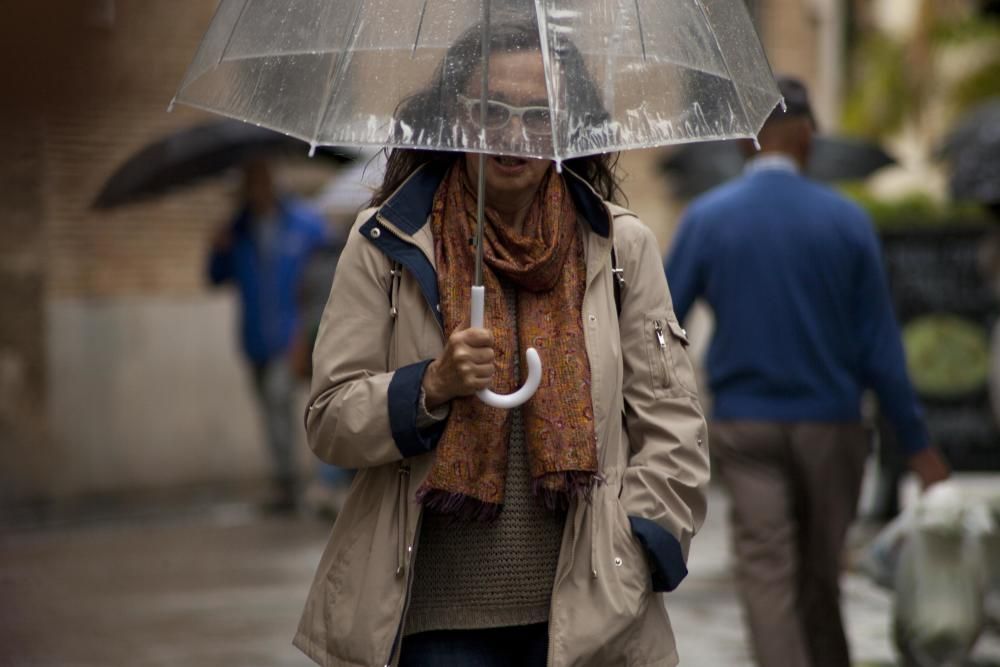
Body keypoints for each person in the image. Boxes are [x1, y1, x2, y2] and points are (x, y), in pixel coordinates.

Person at [293, 21, 710, 667]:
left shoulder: (619, 247)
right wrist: (429, 386)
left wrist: (639, 546)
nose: (514, 135)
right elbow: (328, 421)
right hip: (436, 621)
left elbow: (673, 421)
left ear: (570, 126)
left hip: (589, 617)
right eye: (491, 111)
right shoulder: (387, 244)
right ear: (453, 117)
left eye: (539, 115)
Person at [664, 76, 950, 667]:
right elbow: (880, 348)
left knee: (767, 575)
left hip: (745, 427)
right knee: (821, 578)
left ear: (745, 144)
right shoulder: (847, 223)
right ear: (809, 138)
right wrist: (918, 445)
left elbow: (659, 327)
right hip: (832, 427)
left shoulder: (707, 219)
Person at [208, 158, 329, 513]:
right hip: (255, 338)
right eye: (250, 183)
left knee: (284, 402)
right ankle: (286, 482)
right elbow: (215, 277)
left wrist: (310, 327)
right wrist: (217, 248)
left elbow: (327, 269)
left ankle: (305, 481)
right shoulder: (238, 231)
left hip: (294, 334)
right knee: (269, 409)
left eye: (262, 181)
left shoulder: (304, 224)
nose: (257, 189)